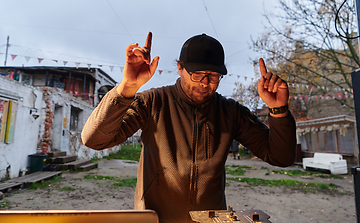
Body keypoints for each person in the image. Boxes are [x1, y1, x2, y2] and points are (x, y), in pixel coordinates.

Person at [81, 32, 296, 223]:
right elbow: (94, 140)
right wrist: (127, 87)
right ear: (179, 68)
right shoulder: (152, 102)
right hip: (156, 219)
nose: (204, 82)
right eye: (197, 74)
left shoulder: (231, 112)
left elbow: (281, 157)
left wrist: (279, 111)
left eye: (213, 76)